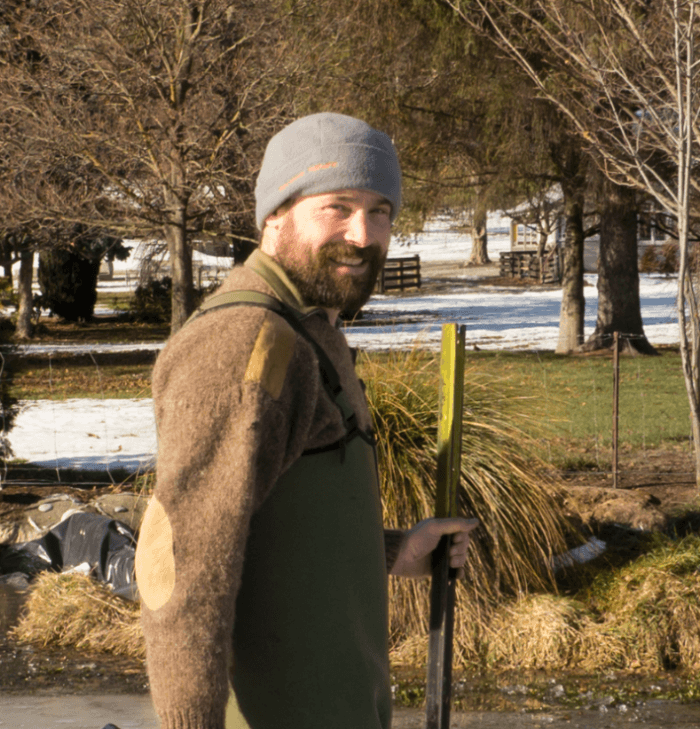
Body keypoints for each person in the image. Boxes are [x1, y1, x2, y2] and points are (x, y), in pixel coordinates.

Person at [134, 112, 478, 729]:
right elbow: (183, 573)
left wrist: (396, 551)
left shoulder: (310, 329)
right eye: (338, 207)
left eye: (381, 212)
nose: (364, 234)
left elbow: (269, 531)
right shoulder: (244, 342)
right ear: (275, 214)